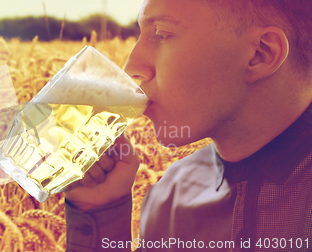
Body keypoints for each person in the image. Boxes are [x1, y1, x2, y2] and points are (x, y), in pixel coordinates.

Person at [64, 0, 312, 251]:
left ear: (261, 53)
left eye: (162, 34)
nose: (131, 68)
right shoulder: (170, 193)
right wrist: (100, 213)